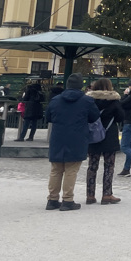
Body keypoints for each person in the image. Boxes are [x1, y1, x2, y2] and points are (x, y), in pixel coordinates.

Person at [45, 73, 100, 211]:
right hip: (77, 138)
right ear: (81, 85)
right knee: (71, 169)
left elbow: (48, 117)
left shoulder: (56, 100)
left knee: (56, 170)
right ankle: (67, 200)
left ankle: (52, 199)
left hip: (58, 137)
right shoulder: (87, 101)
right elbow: (94, 117)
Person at [85, 79, 124, 204]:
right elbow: (121, 117)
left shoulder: (89, 101)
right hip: (109, 136)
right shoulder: (114, 101)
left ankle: (90, 195)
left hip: (93, 136)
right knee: (109, 166)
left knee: (92, 166)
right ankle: (107, 194)